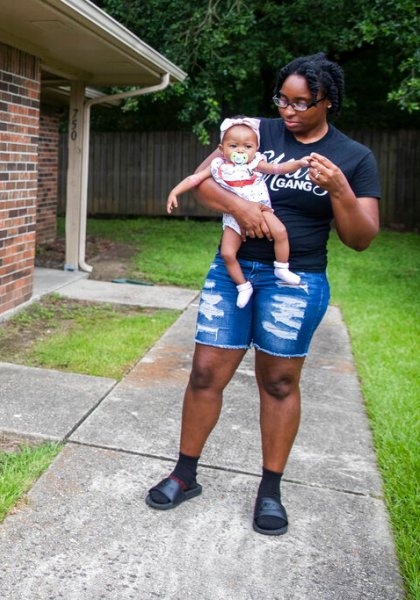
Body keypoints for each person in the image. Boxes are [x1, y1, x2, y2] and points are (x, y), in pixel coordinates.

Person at [145, 53, 380, 536]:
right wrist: (241, 209)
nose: (288, 111)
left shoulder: (354, 158)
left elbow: (361, 237)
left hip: (298, 278)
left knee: (277, 382)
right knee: (207, 371)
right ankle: (184, 475)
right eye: (283, 99)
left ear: (327, 102)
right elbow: (207, 181)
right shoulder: (253, 130)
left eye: (301, 103)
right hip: (231, 272)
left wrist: (340, 191)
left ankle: (269, 489)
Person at [166, 117, 310, 307]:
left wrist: (299, 164)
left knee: (281, 232)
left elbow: (279, 168)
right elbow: (195, 179)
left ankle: (281, 267)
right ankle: (243, 286)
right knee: (227, 253)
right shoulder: (218, 166)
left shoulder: (255, 164)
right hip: (233, 216)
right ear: (221, 148)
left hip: (260, 208)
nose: (240, 150)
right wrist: (175, 191)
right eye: (233, 145)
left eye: (247, 146)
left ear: (256, 148)